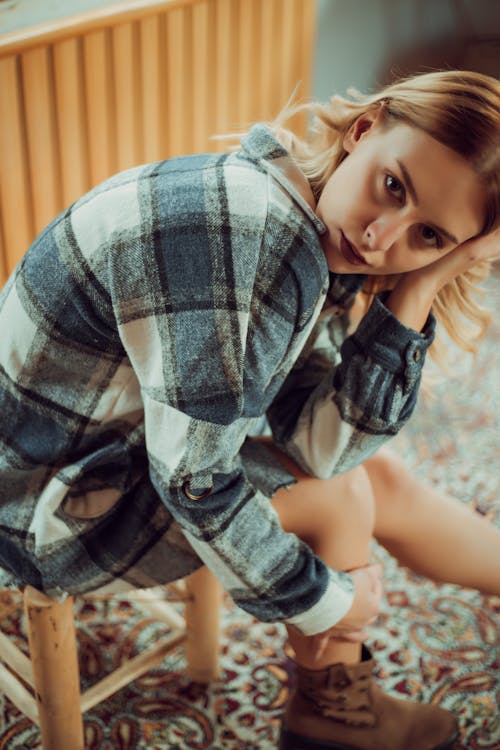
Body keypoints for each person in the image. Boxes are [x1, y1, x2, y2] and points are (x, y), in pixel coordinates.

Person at [0, 69, 498, 750]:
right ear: (365, 128)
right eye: (393, 186)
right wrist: (332, 602)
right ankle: (329, 715)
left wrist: (421, 288)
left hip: (87, 456)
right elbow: (196, 482)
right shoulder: (258, 242)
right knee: (341, 498)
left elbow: (318, 440)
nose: (384, 237)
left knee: (367, 480)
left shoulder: (299, 214)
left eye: (430, 236)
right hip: (41, 507)